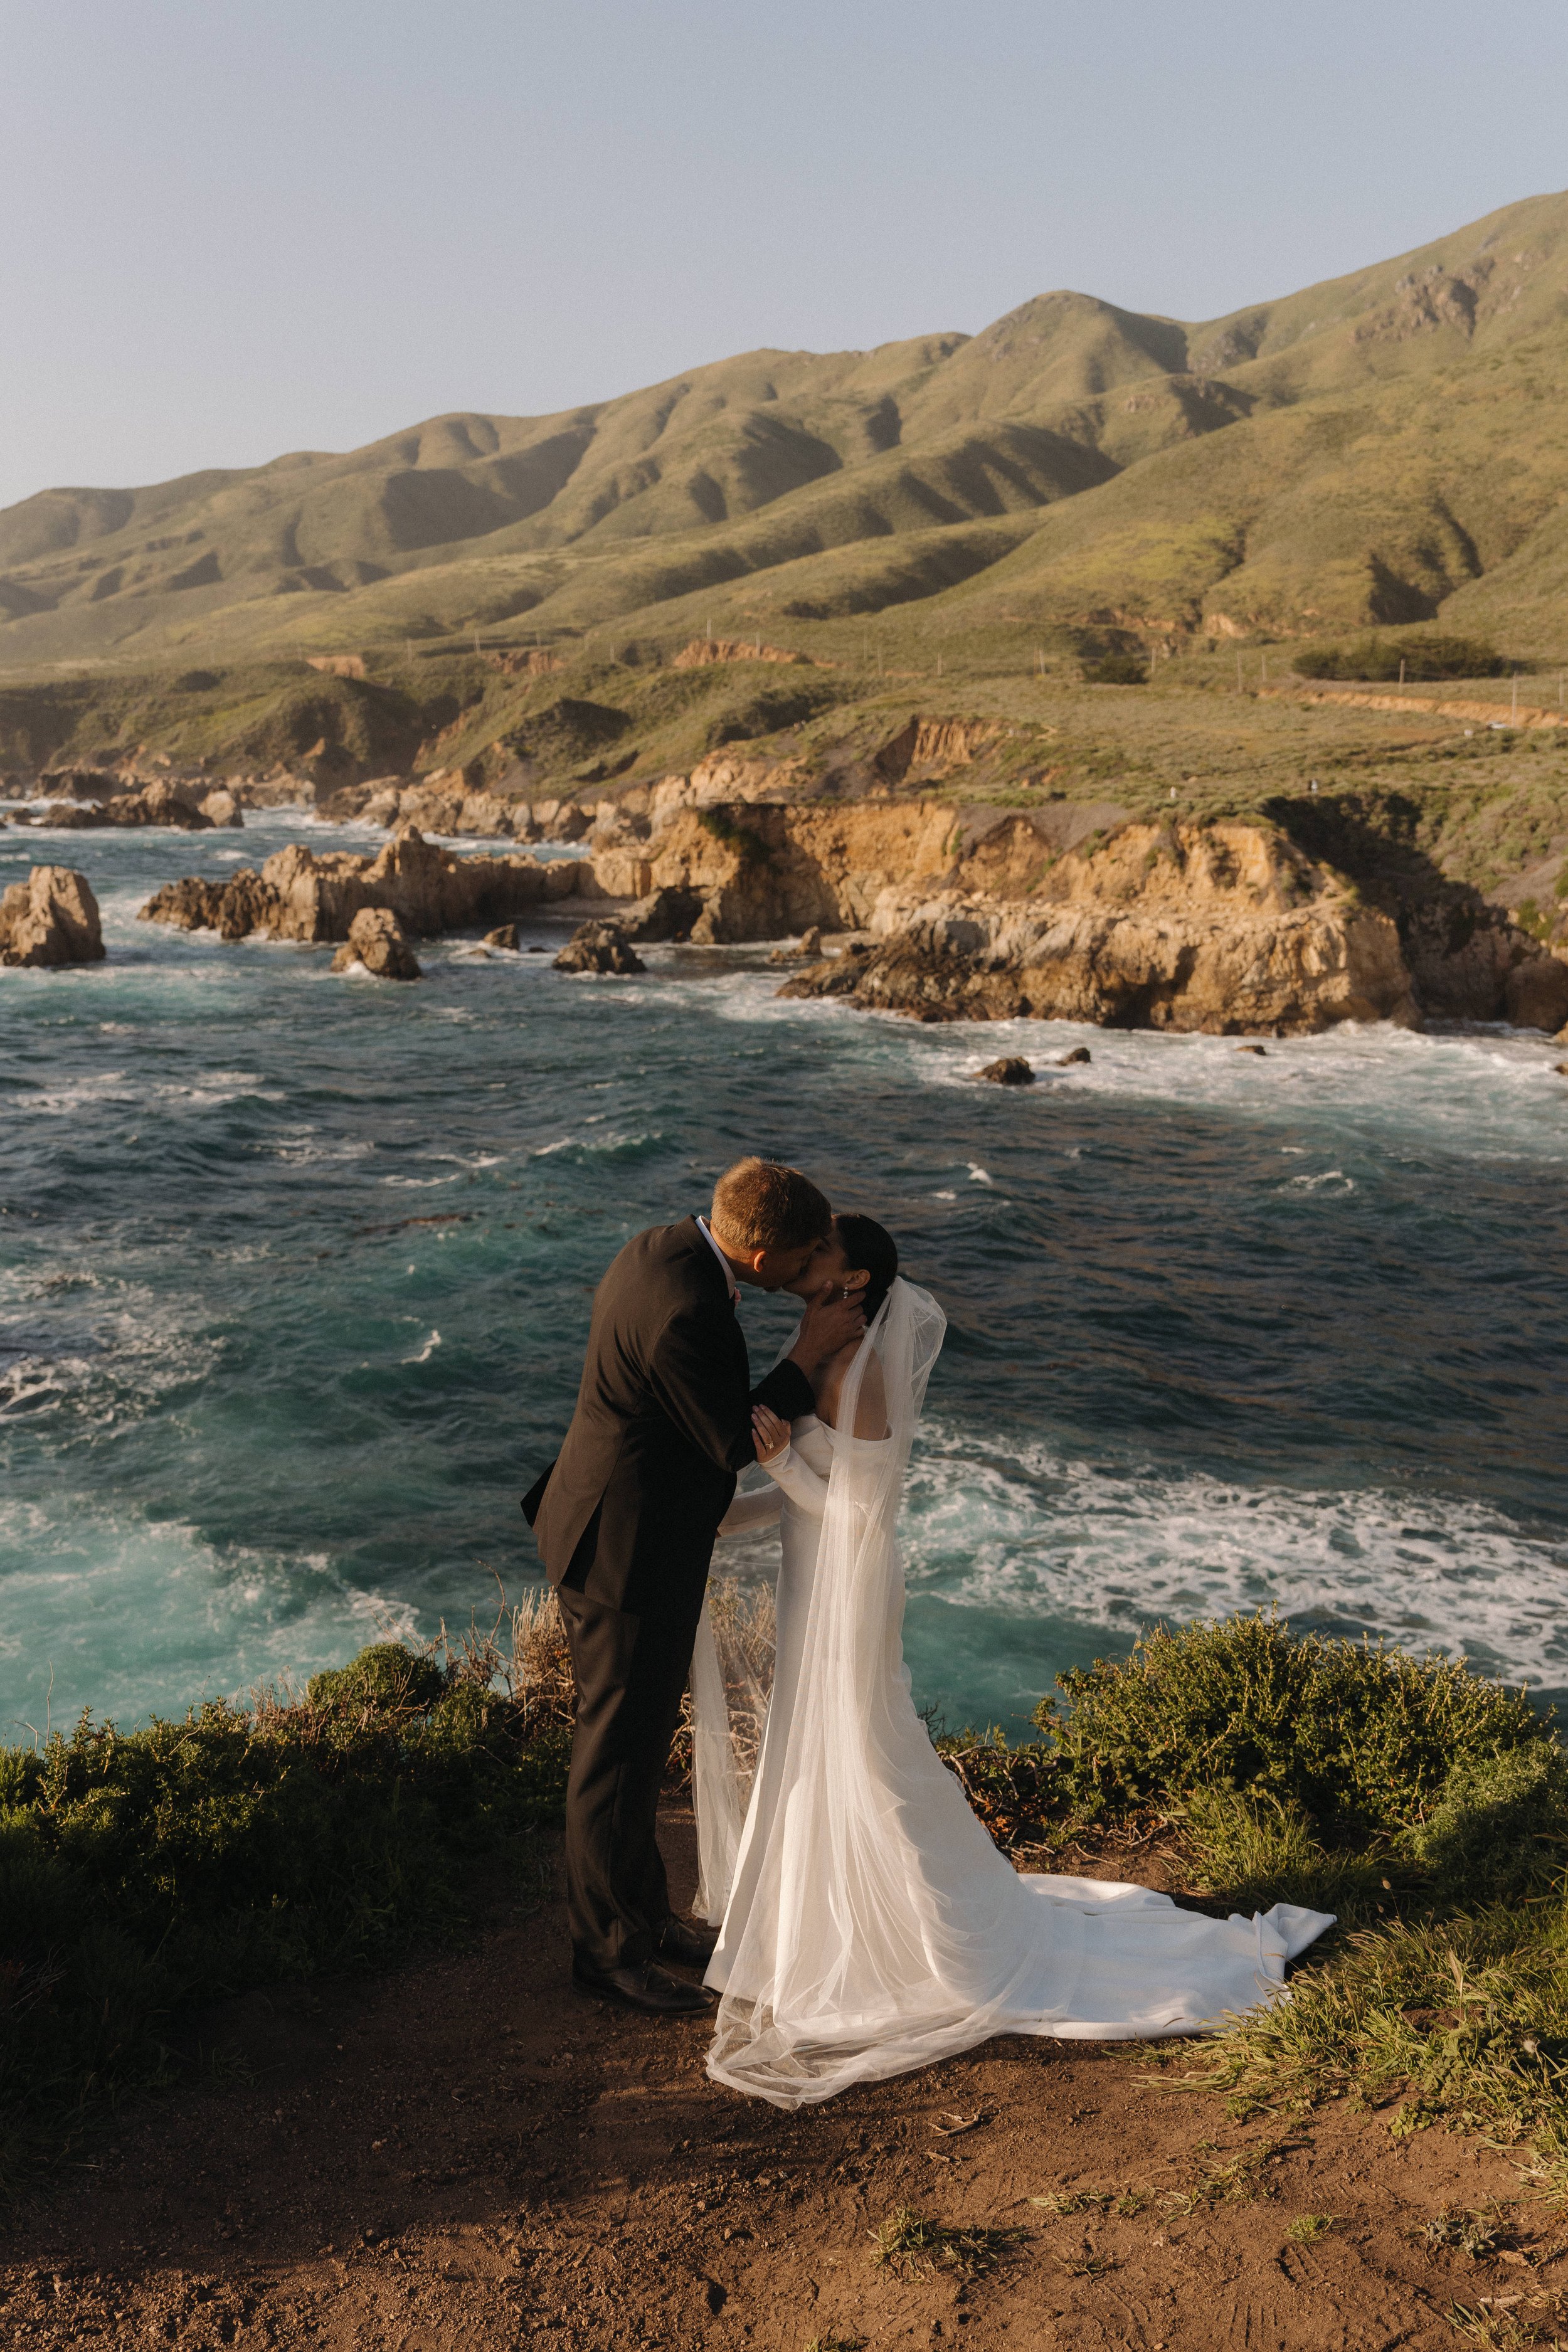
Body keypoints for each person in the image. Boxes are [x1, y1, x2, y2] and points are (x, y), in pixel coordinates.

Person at [696, 1216, 1336, 2107]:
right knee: (819, 1752)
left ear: (857, 1281)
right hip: (815, 1588)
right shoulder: (829, 1361)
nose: (807, 1263)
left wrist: (778, 1465)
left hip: (853, 1590)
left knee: (872, 1756)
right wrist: (728, 1513)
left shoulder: (861, 1370)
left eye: (823, 1256)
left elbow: (856, 1512)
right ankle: (826, 1929)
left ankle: (922, 1940)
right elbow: (815, 1488)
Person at [522, 1158, 866, 2016]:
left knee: (635, 1752)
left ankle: (645, 1919)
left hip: (616, 1527)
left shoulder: (658, 1251)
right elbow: (727, 1440)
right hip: (623, 1556)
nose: (811, 1268)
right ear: (759, 1257)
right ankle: (605, 1955)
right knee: (614, 1759)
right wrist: (807, 1354)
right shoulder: (689, 1310)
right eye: (804, 1255)